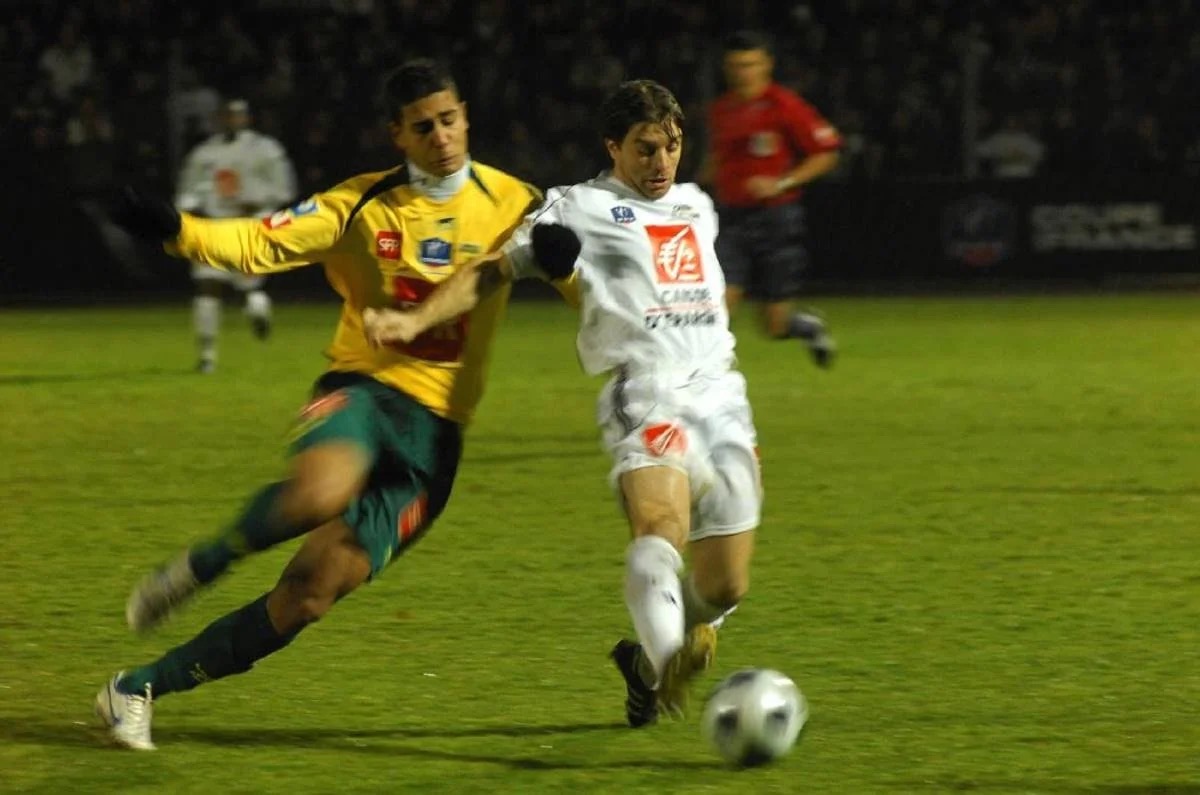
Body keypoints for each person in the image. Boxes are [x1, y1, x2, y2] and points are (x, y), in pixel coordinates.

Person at [95, 58, 575, 751]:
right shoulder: (360, 204)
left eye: (448, 120)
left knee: (309, 593)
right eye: (422, 127)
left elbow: (587, 283)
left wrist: (577, 270)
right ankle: (201, 564)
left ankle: (135, 688)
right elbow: (260, 243)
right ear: (398, 136)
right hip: (366, 389)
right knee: (320, 491)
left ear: (466, 116)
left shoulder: (518, 202)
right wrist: (177, 229)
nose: (440, 136)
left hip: (437, 439)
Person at [363, 79, 760, 727]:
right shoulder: (578, 207)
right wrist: (415, 322)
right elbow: (493, 268)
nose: (662, 162)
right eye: (646, 148)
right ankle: (666, 663)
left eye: (673, 146)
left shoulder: (697, 206)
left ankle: (650, 656)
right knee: (660, 526)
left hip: (722, 396)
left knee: (725, 586)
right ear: (614, 147)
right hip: (647, 387)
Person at [701, 30, 841, 367]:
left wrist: (782, 183)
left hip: (776, 218)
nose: (742, 72)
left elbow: (826, 153)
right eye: (735, 65)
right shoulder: (721, 110)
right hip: (730, 218)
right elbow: (716, 158)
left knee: (774, 325)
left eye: (750, 64)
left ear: (767, 65)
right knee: (716, 301)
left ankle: (806, 325)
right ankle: (710, 373)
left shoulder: (785, 106)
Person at [175, 98, 297, 372]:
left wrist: (257, 202)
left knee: (248, 287)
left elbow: (284, 189)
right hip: (213, 227)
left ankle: (258, 309)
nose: (232, 120)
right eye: (227, 116)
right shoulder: (204, 153)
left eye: (237, 115)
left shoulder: (265, 149)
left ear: (247, 118)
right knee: (208, 286)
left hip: (249, 227)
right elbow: (187, 191)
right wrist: (193, 207)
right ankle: (207, 356)